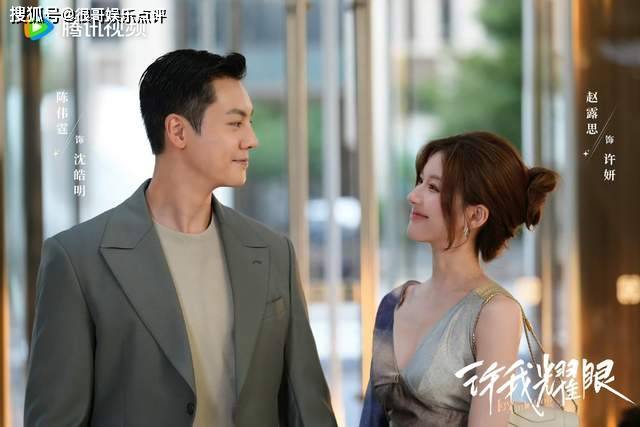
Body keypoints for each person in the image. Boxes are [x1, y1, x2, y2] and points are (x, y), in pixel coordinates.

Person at [24, 49, 337, 427]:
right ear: (177, 131)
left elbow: (309, 410)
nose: (252, 139)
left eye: (249, 122)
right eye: (236, 123)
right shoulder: (77, 261)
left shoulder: (273, 252)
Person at [360, 131, 558, 426]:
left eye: (433, 187)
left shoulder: (495, 312)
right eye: (420, 181)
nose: (413, 196)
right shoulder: (395, 303)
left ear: (476, 216)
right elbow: (370, 419)